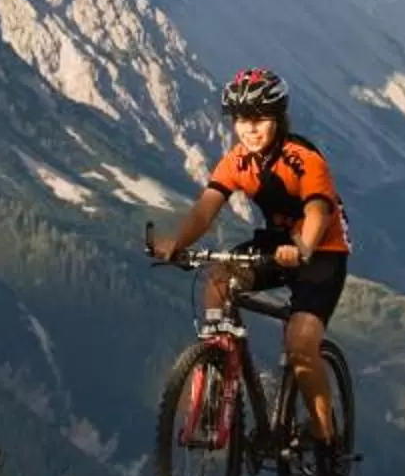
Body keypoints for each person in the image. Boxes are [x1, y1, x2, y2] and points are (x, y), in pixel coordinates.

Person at [148, 67, 348, 450]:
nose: (249, 129)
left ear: (278, 119)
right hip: (275, 241)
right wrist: (178, 242)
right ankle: (219, 371)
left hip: (322, 249)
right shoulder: (236, 161)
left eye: (259, 120)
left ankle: (325, 437)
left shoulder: (304, 159)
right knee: (218, 280)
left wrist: (303, 249)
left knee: (301, 344)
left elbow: (319, 211)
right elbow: (206, 209)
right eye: (242, 120)